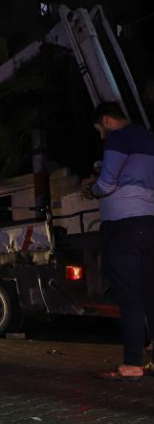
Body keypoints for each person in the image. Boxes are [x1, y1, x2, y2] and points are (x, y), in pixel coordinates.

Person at [85, 103, 154, 381]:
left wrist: (91, 188)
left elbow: (107, 184)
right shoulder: (149, 138)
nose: (102, 136)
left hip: (123, 225)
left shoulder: (117, 138)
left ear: (106, 120)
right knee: (151, 293)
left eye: (100, 129)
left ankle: (132, 364)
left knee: (129, 295)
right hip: (150, 221)